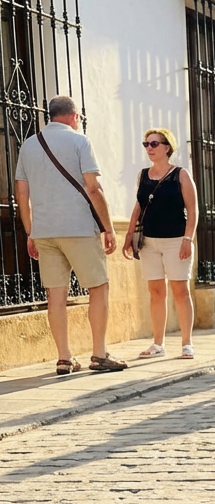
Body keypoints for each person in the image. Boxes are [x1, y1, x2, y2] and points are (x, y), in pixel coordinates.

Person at [14, 95, 126, 375]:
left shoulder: (29, 145)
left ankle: (64, 358)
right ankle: (99, 354)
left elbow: (22, 193)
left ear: (50, 116)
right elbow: (93, 188)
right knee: (98, 287)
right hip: (77, 228)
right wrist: (108, 228)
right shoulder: (80, 141)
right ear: (74, 116)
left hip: (45, 231)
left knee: (56, 294)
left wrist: (31, 232)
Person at [123, 128, 199, 359]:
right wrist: (128, 234)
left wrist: (188, 238)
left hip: (176, 241)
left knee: (180, 291)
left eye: (154, 144)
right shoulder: (143, 175)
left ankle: (187, 343)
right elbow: (140, 206)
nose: (149, 148)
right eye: (146, 144)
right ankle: (158, 344)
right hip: (149, 242)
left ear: (167, 147)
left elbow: (193, 210)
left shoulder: (181, 175)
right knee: (155, 291)